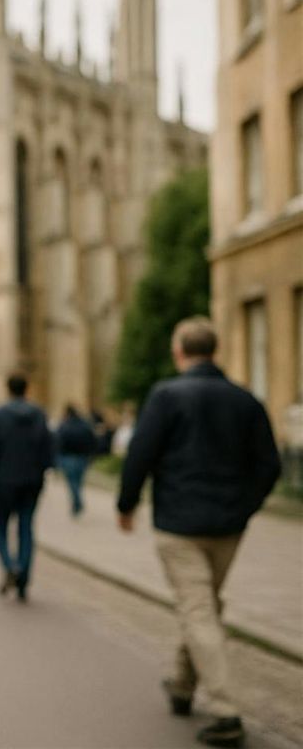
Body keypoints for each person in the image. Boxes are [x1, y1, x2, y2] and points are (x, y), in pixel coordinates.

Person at [117, 317, 280, 749]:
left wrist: (126, 504)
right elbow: (269, 466)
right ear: (216, 350)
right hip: (228, 527)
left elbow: (141, 454)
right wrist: (244, 508)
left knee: (198, 609)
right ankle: (184, 686)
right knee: (204, 606)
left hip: (179, 525)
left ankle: (225, 711)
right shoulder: (245, 400)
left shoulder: (167, 396)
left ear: (179, 353)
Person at [0, 373, 54, 602]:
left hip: (6, 480)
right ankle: (23, 577)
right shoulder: (38, 414)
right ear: (26, 389)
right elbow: (48, 446)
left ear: (8, 389)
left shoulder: (0, 415)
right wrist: (45, 470)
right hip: (33, 480)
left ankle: (10, 565)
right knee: (26, 527)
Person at [55, 405, 96, 517]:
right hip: (83, 457)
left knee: (72, 482)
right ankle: (77, 501)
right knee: (78, 481)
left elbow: (58, 442)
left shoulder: (64, 425)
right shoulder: (85, 425)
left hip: (69, 457)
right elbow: (92, 440)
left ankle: (77, 501)